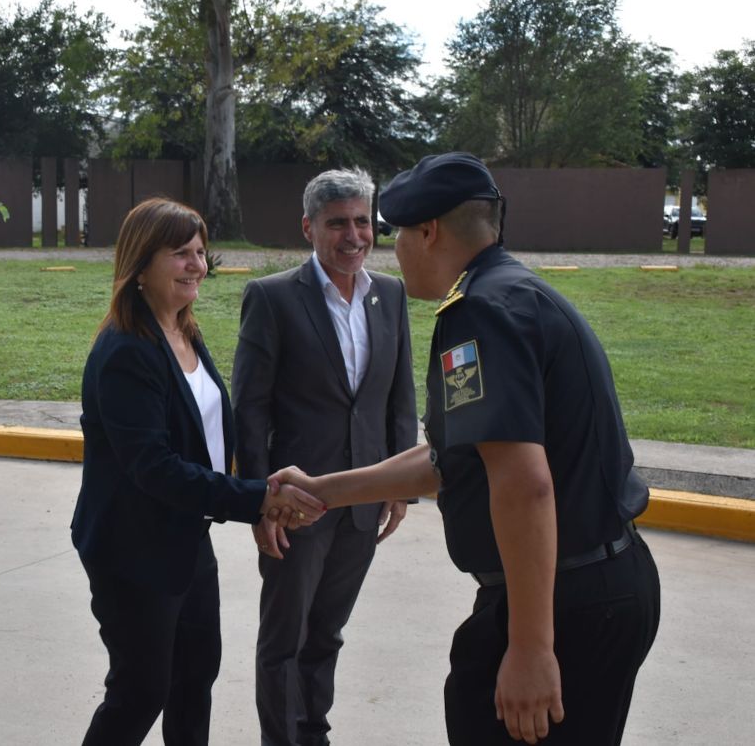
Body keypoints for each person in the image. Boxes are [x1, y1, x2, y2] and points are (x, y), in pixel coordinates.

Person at [272, 152, 661, 746]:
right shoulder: (511, 294)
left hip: (565, 601)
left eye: (397, 233)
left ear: (427, 232)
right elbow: (456, 458)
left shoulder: (478, 313)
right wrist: (324, 489)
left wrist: (531, 649)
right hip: (596, 588)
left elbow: (523, 483)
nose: (392, 249)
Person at [70, 197, 325, 746]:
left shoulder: (185, 333)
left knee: (194, 678)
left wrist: (245, 491)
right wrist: (255, 497)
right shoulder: (126, 351)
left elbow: (204, 438)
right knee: (140, 690)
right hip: (131, 548)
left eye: (202, 253)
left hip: (185, 537)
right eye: (181, 254)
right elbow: (154, 468)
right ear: (141, 263)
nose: (197, 265)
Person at [231, 167, 417, 746]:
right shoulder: (273, 297)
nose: (354, 236)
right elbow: (250, 409)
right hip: (296, 505)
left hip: (362, 503)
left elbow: (398, 397)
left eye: (363, 222)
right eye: (338, 223)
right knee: (285, 638)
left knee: (327, 634)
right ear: (308, 228)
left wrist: (398, 487)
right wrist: (261, 503)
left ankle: (314, 734)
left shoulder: (390, 294)